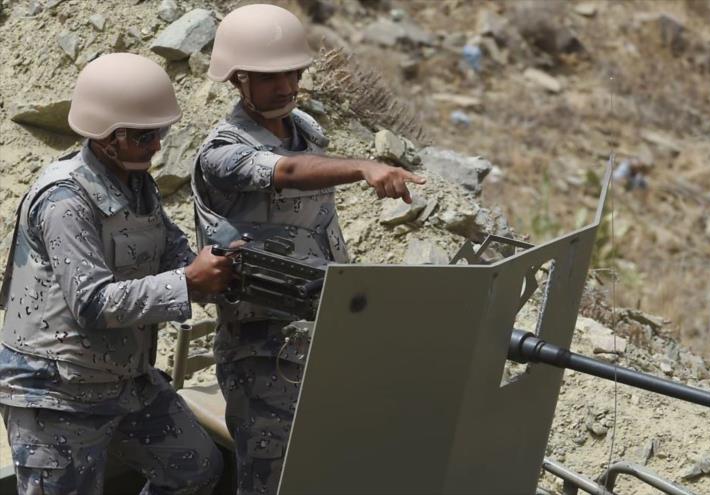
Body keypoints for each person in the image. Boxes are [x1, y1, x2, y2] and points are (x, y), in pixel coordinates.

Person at [191, 4, 425, 493]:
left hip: (326, 332)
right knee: (271, 480)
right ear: (238, 79)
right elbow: (288, 172)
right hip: (261, 347)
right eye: (271, 76)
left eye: (293, 72)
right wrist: (364, 167)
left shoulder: (307, 129)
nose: (286, 85)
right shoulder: (222, 152)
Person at [0, 53, 233, 495]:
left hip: (124, 380)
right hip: (55, 395)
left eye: (160, 133)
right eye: (146, 136)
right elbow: (91, 303)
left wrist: (220, 268)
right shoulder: (64, 200)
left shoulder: (135, 182)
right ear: (107, 137)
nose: (158, 146)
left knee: (196, 470)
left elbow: (172, 251)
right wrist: (188, 282)